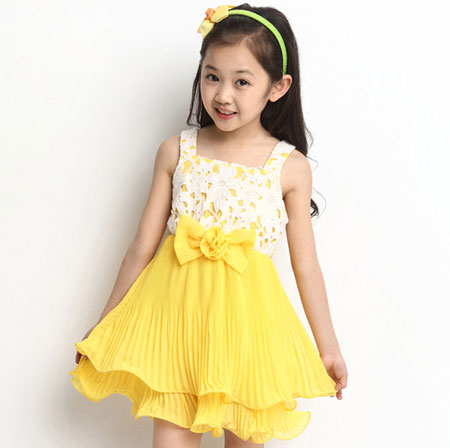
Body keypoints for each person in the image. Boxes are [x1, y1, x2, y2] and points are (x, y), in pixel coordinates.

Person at [69, 3, 348, 447]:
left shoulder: (289, 167)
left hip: (248, 335)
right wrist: (104, 326)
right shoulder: (176, 151)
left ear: (278, 87)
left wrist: (328, 346)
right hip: (175, 329)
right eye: (212, 76)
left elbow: (307, 266)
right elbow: (141, 247)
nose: (222, 95)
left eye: (242, 82)